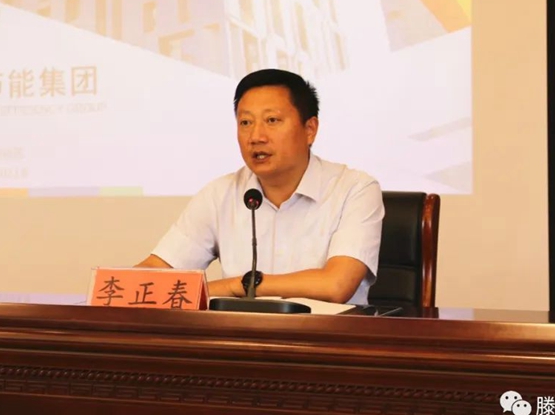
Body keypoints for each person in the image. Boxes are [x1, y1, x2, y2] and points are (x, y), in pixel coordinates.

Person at [135, 68, 384, 305]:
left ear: (310, 129)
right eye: (245, 122)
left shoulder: (354, 189)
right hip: (241, 333)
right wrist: (125, 286)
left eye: (272, 120)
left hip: (326, 333)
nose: (256, 137)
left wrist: (241, 286)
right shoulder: (219, 194)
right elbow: (157, 271)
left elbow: (336, 285)